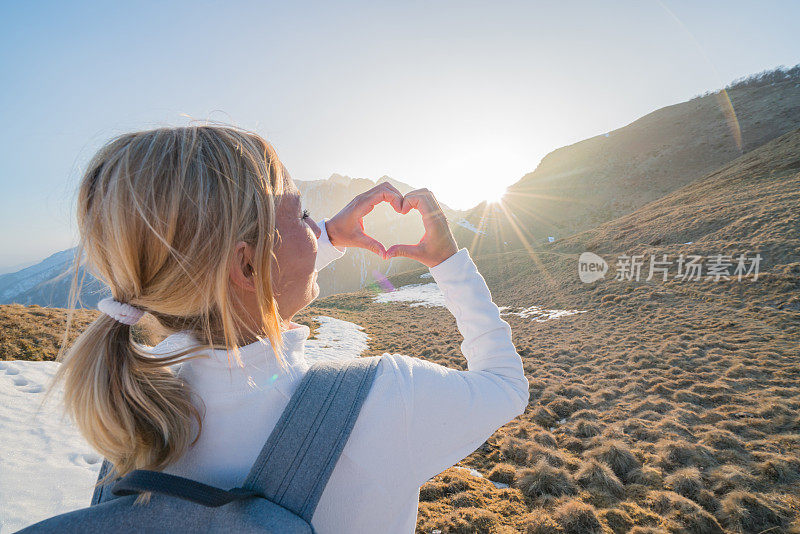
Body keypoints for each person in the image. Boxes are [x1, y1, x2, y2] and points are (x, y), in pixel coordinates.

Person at [56, 125, 529, 533]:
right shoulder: (385, 399)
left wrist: (323, 238)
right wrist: (448, 262)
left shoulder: (133, 410)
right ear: (246, 264)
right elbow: (506, 385)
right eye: (303, 215)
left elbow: (242, 297)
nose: (315, 225)